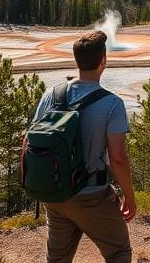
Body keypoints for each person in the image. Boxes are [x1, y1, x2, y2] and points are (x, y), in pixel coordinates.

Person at [32, 31, 135, 263]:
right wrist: (129, 196)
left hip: (55, 193)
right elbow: (117, 158)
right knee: (119, 252)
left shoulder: (50, 95)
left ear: (76, 60)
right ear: (103, 61)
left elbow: (30, 141)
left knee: (57, 259)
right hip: (92, 195)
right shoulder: (112, 104)